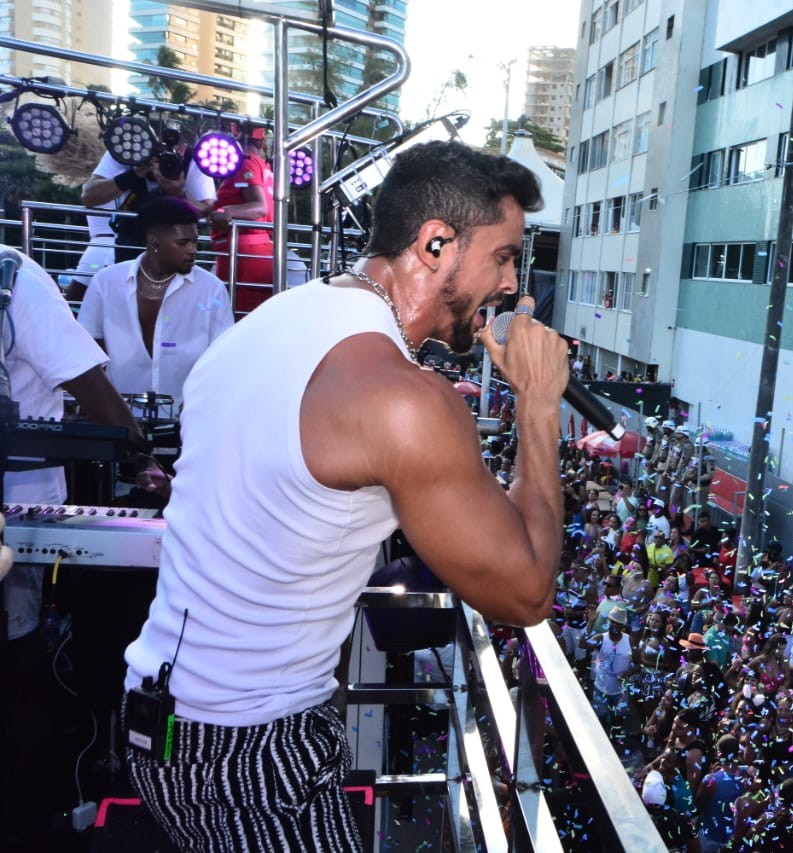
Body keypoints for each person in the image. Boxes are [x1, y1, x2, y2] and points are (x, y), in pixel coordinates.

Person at [122, 141, 564, 850]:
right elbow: (526, 590)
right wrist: (540, 404)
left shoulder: (270, 321)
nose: (513, 284)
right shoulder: (405, 401)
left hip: (165, 721)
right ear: (436, 244)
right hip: (250, 753)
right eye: (504, 256)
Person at [1, 247, 165, 852]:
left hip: (20, 521)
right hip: (18, 523)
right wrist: (141, 453)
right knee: (20, 674)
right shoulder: (11, 274)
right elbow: (87, 382)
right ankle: (27, 823)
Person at [77, 197, 233, 411]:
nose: (192, 250)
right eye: (182, 243)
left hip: (187, 419)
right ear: (154, 242)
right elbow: (87, 351)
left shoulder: (211, 289)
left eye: (195, 242)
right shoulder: (106, 282)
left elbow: (222, 358)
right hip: (120, 419)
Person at [72, 125, 217, 298]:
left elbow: (206, 208)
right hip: (125, 246)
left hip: (169, 254)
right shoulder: (126, 151)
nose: (165, 153)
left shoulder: (191, 160)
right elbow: (89, 196)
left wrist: (178, 194)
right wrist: (133, 174)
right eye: (158, 148)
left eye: (174, 148)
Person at [208, 123, 275, 312]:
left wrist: (226, 211)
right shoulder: (264, 166)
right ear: (262, 142)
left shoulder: (246, 162)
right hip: (256, 251)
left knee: (235, 318)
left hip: (243, 254)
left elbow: (259, 207)